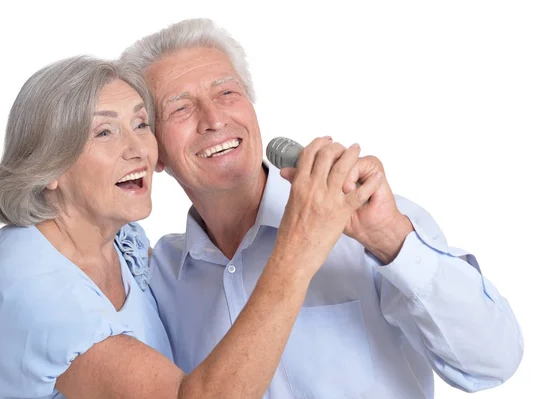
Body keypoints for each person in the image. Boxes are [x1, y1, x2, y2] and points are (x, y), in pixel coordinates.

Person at [119, 18, 524, 398]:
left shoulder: (370, 223)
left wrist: (392, 241)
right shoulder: (158, 280)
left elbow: (494, 362)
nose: (213, 119)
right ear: (153, 152)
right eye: (181, 108)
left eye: (227, 93)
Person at [0, 56, 370, 398]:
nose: (137, 148)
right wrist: (299, 248)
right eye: (104, 132)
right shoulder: (38, 289)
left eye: (140, 124)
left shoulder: (120, 243)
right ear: (50, 167)